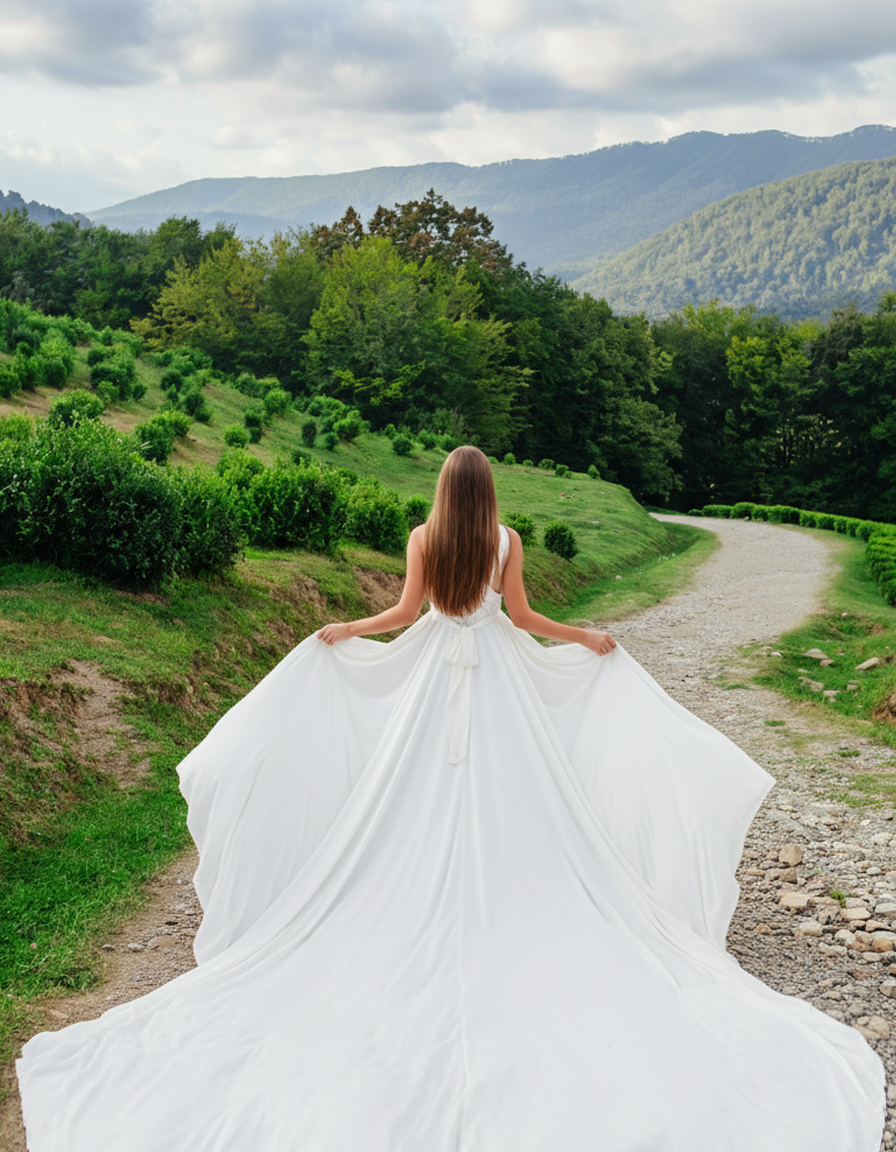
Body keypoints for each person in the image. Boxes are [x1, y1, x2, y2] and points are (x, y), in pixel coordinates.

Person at [17, 446, 885, 1150]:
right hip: (496, 675)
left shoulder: (423, 537)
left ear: (442, 490)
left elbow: (401, 614)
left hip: (437, 675)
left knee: (402, 800)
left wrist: (343, 630)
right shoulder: (503, 542)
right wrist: (588, 638)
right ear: (490, 492)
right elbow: (526, 621)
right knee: (532, 801)